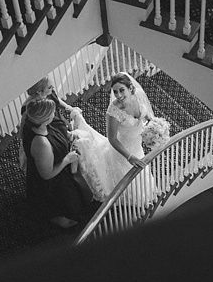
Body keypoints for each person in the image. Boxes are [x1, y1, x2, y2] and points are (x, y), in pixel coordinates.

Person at [70, 72, 156, 204]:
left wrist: (154, 127)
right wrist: (129, 156)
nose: (119, 95)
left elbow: (147, 116)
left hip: (137, 146)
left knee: (141, 175)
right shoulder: (113, 111)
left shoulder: (138, 96)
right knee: (127, 179)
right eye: (115, 92)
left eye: (122, 90)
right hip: (123, 151)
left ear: (131, 88)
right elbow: (112, 139)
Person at [22, 98, 92, 229]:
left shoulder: (39, 125)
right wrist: (67, 159)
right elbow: (46, 175)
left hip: (60, 171)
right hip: (53, 182)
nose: (54, 114)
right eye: (52, 112)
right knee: (69, 206)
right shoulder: (41, 144)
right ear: (45, 118)